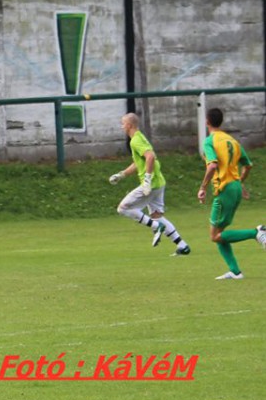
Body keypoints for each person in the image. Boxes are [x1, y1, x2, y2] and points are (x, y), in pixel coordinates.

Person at [197, 108, 265, 280]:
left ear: (207, 122)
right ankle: (235, 272)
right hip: (235, 187)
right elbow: (248, 165)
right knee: (220, 234)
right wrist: (240, 183)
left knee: (214, 236)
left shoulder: (209, 141)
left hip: (224, 190)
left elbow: (212, 165)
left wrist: (203, 187)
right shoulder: (232, 141)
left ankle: (256, 232)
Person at [109, 113, 190, 256]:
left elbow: (150, 157)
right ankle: (182, 246)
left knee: (123, 208)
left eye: (123, 124)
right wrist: (122, 175)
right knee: (157, 215)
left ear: (129, 125)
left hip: (151, 184)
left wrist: (147, 180)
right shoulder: (139, 137)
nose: (122, 127)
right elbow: (139, 162)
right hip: (158, 182)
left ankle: (156, 226)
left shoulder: (135, 141)